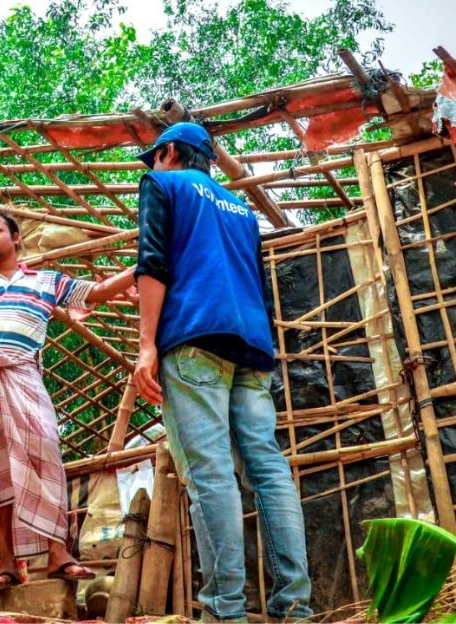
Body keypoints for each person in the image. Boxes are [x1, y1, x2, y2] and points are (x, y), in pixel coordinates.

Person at [130, 122, 312, 622]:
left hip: (194, 341)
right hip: (251, 346)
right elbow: (238, 274)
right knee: (269, 471)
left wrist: (146, 345)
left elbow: (154, 263)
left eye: (155, 157)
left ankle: (224, 612)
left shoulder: (161, 185)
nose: (153, 167)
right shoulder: (242, 210)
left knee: (211, 475)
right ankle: (295, 608)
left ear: (168, 152)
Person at [0, 210, 136, 592]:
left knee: (45, 452)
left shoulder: (45, 281)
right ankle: (8, 565)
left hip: (24, 374)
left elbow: (94, 293)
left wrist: (145, 266)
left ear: (16, 238)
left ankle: (58, 554)